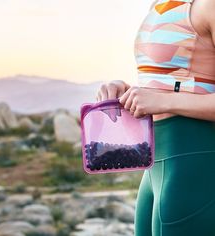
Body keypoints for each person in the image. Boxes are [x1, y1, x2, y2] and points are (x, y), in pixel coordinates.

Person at [96, 0, 215, 235]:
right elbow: (175, 80)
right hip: (156, 163)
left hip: (195, 159)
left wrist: (163, 100)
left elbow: (169, 96)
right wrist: (128, 92)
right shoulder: (161, 4)